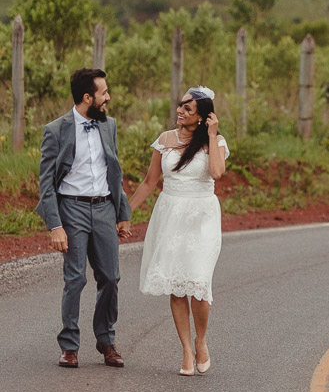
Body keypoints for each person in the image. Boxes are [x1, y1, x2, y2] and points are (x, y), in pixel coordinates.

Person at [36, 68, 133, 368]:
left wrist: (122, 213)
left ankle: (106, 340)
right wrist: (55, 225)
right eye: (104, 93)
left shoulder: (110, 126)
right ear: (87, 97)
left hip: (104, 208)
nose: (108, 98)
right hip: (72, 209)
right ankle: (69, 345)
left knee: (111, 277)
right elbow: (46, 182)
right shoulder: (56, 130)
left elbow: (114, 172)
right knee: (75, 278)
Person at [128, 86, 227, 376]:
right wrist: (124, 213)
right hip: (171, 214)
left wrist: (211, 135)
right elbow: (149, 182)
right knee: (175, 283)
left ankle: (201, 339)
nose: (180, 111)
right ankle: (185, 348)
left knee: (198, 283)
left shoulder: (215, 141)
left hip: (202, 216)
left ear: (203, 117)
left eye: (188, 109)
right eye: (181, 106)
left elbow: (217, 173)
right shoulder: (165, 140)